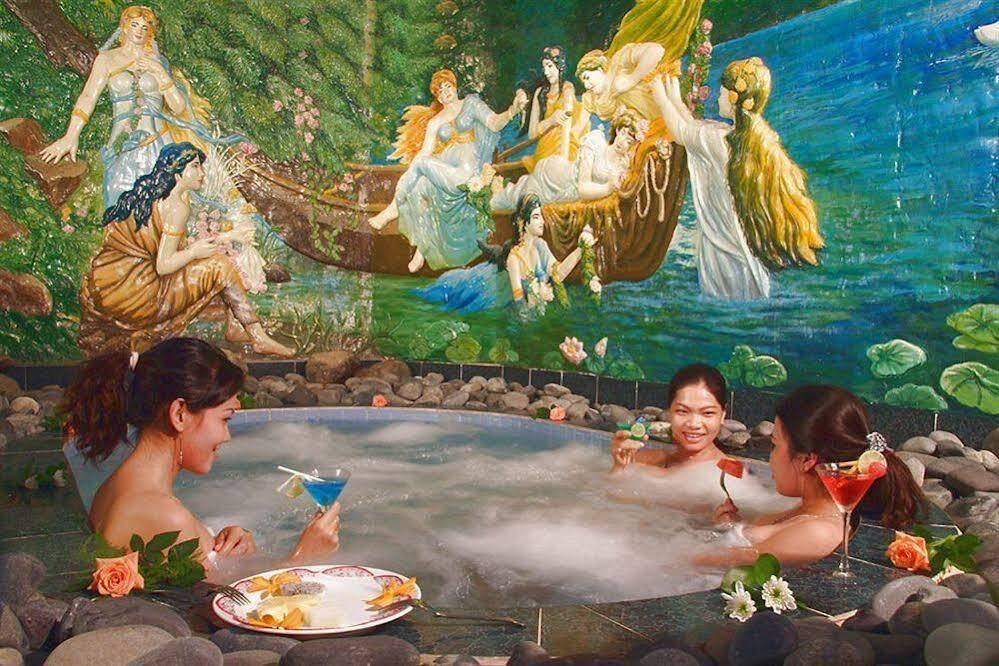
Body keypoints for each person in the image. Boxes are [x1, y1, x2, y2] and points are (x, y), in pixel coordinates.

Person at [62, 337, 340, 579]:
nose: (227, 436)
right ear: (179, 414)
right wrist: (304, 557)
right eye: (225, 418)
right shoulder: (164, 515)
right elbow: (238, 604)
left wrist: (223, 548)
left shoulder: (116, 488)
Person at [38, 5, 267, 292]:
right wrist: (70, 136)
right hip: (123, 149)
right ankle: (128, 283)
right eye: (134, 25)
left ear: (152, 33)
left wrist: (159, 72)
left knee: (165, 215)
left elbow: (179, 107)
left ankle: (167, 283)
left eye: (146, 27)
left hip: (159, 148)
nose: (140, 31)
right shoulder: (107, 60)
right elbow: (87, 98)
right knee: (122, 211)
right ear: (123, 27)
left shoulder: (158, 61)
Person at [77, 142, 292, 357]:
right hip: (140, 294)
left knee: (215, 260)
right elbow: (163, 266)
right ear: (177, 173)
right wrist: (194, 252)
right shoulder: (176, 206)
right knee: (220, 265)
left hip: (113, 288)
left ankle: (236, 326)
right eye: (195, 166)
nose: (202, 173)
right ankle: (257, 337)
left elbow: (168, 250)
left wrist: (226, 238)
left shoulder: (154, 197)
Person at [697, 385, 926, 568]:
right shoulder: (810, 511)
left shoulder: (819, 532)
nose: (770, 458)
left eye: (775, 445)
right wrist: (728, 525)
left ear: (807, 460)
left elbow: (713, 561)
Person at [650, 62, 824, 300]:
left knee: (725, 301)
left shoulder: (719, 140)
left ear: (733, 100)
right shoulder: (743, 139)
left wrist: (661, 99)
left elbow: (682, 132)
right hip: (738, 246)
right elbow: (694, 127)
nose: (718, 98)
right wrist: (675, 100)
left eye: (721, 93)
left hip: (723, 250)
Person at [368, 69, 527, 272]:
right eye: (440, 91)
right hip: (446, 169)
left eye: (448, 87)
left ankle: (393, 208)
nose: (446, 93)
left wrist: (513, 110)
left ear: (455, 86)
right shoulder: (435, 121)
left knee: (422, 171)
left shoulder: (471, 104)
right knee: (421, 183)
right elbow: (425, 152)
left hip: (466, 172)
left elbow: (494, 123)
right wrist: (416, 168)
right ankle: (423, 249)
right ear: (438, 97)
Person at [415, 193, 594, 315]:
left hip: (513, 296)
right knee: (446, 299)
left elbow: (558, 274)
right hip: (488, 291)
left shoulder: (541, 246)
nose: (542, 221)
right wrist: (536, 301)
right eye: (536, 217)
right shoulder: (514, 258)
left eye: (541, 216)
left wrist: (581, 249)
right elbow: (519, 303)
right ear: (523, 222)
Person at [490, 110, 644, 210]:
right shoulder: (595, 141)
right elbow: (582, 188)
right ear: (617, 129)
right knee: (519, 197)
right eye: (622, 133)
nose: (622, 141)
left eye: (629, 141)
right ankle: (495, 195)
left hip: (572, 194)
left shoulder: (624, 164)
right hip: (559, 178)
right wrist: (607, 188)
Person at [611, 363, 728, 475]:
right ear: (669, 412)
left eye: (708, 413)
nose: (693, 424)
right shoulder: (643, 461)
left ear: (722, 415)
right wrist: (619, 466)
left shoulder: (729, 476)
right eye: (682, 411)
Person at [519, 46, 590, 172]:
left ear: (560, 66)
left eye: (550, 66)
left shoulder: (567, 89)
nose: (546, 72)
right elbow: (532, 134)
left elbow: (567, 130)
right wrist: (551, 120)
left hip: (565, 147)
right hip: (544, 150)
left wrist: (562, 163)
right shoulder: (539, 93)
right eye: (544, 68)